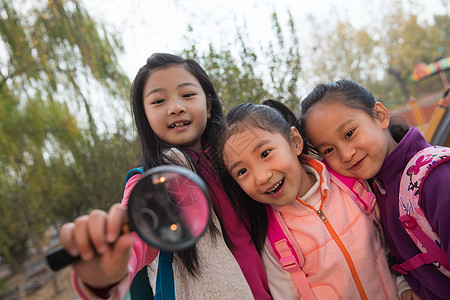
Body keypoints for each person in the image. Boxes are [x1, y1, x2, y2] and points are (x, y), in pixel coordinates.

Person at [58, 53, 274, 299]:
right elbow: (134, 245)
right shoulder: (151, 185)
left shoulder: (240, 163)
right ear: (145, 116)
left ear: (209, 103)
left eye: (188, 95)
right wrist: (104, 273)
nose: (176, 108)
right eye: (158, 101)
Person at [220, 100, 399, 299]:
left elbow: (393, 239)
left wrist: (403, 284)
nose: (261, 177)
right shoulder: (273, 239)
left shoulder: (350, 183)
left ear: (295, 141)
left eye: (265, 153)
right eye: (242, 171)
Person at [300, 79, 450, 299]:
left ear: (380, 115)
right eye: (329, 149)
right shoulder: (371, 191)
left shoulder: (436, 178)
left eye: (349, 133)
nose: (346, 154)